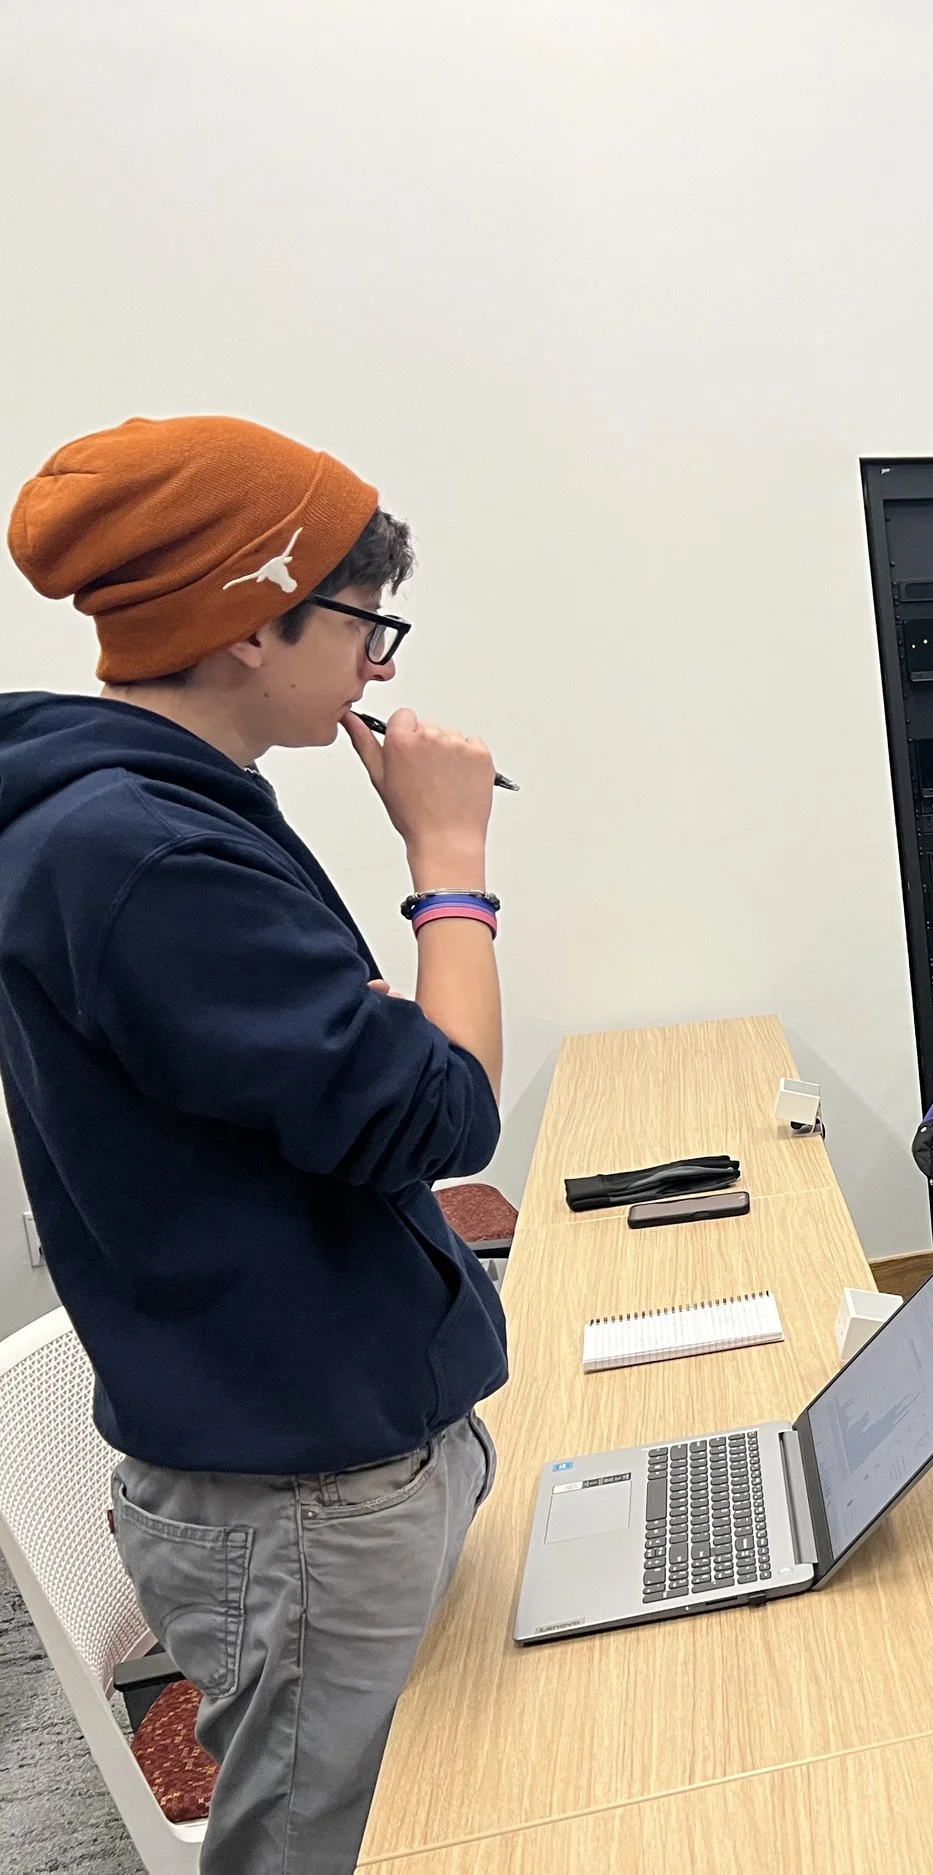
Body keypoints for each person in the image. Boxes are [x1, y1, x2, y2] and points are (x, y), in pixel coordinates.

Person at [1, 417, 509, 1875]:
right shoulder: (140, 850)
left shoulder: (145, 814)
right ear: (243, 619)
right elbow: (439, 1108)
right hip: (302, 1497)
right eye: (362, 621)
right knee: (323, 1845)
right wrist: (450, 868)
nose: (384, 663)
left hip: (328, 1450)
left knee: (464, 1788)